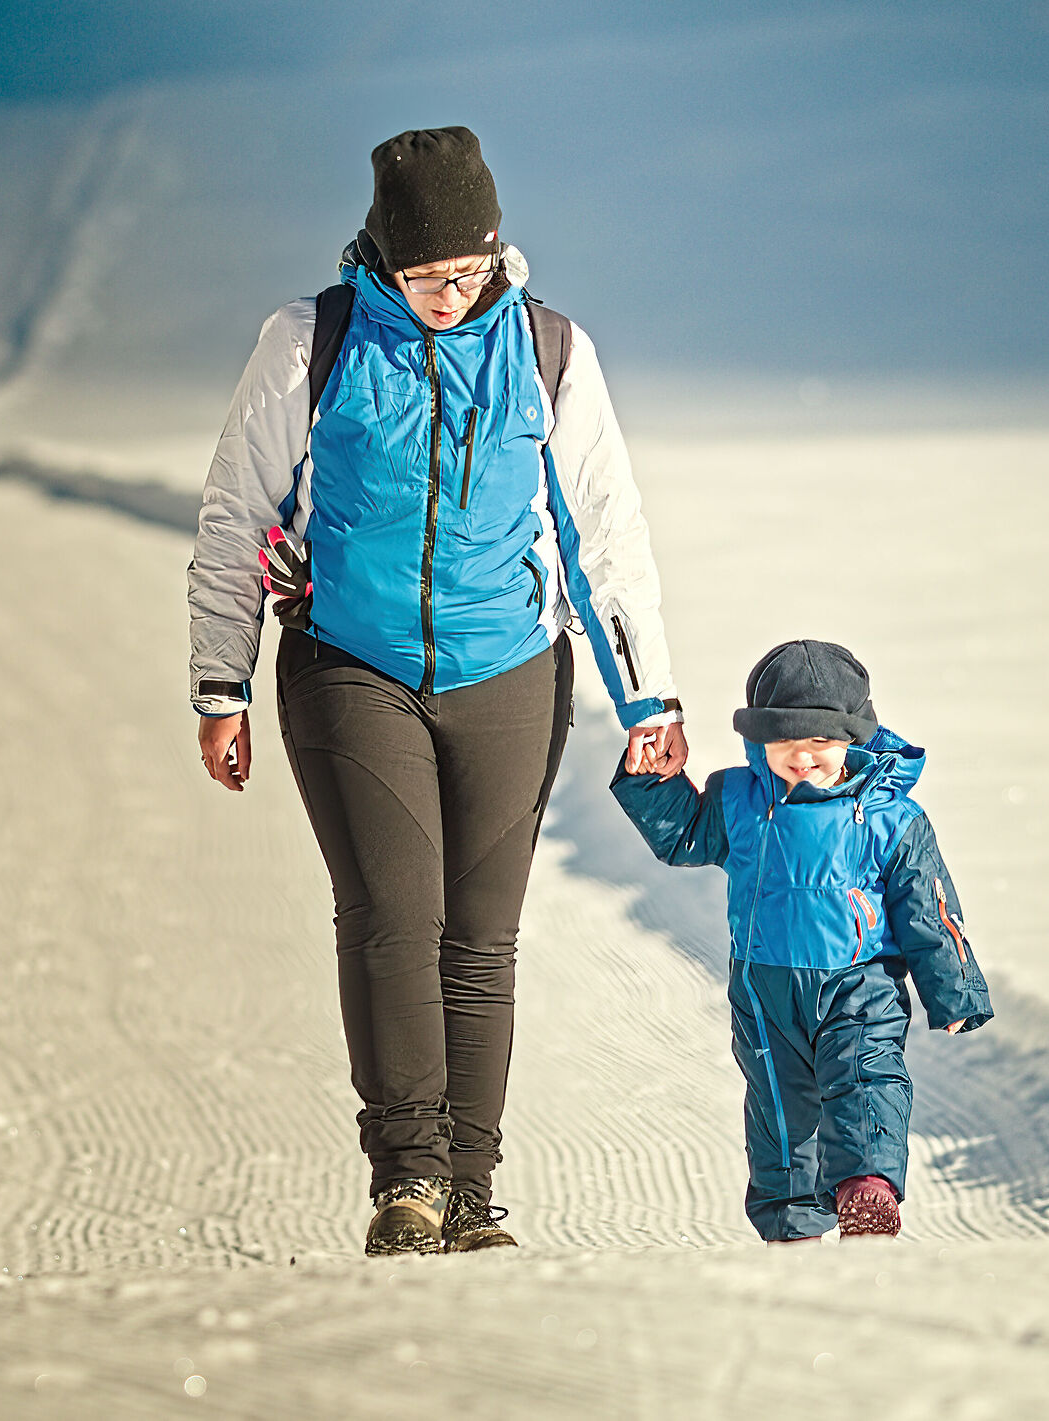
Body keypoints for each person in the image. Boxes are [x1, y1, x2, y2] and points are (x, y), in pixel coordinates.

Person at [188, 127, 686, 1255]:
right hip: (351, 665)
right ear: (382, 259)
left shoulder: (551, 351)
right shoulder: (310, 341)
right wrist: (220, 682)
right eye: (423, 278)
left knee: (480, 939)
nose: (447, 296)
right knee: (392, 917)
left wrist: (650, 694)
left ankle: (470, 1191)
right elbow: (236, 514)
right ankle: (406, 1179)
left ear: (495, 251)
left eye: (465, 272)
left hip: (510, 669)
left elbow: (604, 530)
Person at [609, 639, 993, 1241]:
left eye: (821, 744)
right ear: (759, 741)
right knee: (781, 1111)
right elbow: (684, 838)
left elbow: (929, 910)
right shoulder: (738, 799)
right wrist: (653, 784)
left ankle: (867, 1190)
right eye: (787, 745)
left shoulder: (892, 815)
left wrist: (955, 992)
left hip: (861, 981)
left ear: (852, 739)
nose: (805, 759)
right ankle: (794, 1228)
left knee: (865, 1076)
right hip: (765, 990)